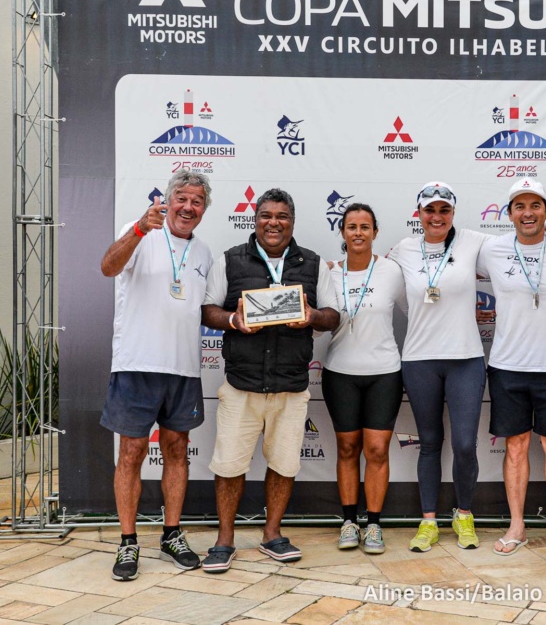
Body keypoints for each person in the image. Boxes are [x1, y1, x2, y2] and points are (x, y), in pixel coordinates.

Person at [199, 188, 340, 573]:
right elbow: (208, 309)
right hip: (241, 385)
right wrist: (233, 320)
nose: (273, 223)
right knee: (229, 465)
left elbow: (333, 316)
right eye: (266, 215)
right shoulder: (230, 260)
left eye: (282, 216)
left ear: (292, 222)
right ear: (255, 219)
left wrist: (312, 317)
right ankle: (224, 540)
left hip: (291, 386)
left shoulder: (313, 264)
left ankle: (272, 534)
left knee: (284, 464)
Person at [99, 169, 214, 581]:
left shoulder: (204, 253)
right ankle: (128, 541)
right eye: (182, 198)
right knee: (131, 452)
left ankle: (171, 534)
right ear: (167, 202)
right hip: (137, 364)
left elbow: (207, 310)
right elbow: (108, 267)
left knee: (178, 451)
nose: (188, 207)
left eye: (197, 201)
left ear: (204, 209)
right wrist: (137, 230)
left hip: (183, 368)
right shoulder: (140, 233)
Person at [477, 179, 546, 558]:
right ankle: (517, 525)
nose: (528, 213)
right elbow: (445, 257)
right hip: (507, 365)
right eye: (520, 206)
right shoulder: (492, 249)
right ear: (509, 214)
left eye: (536, 205)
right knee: (516, 447)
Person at [387, 182, 489, 551]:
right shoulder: (403, 249)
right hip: (419, 359)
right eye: (430, 210)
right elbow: (380, 281)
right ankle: (428, 520)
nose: (437, 216)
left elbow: (519, 249)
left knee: (464, 444)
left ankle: (464, 515)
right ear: (418, 214)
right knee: (429, 443)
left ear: (453, 213)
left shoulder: (473, 242)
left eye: (444, 210)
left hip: (466, 359)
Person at [322, 203, 407, 554]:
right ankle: (348, 521)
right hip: (339, 372)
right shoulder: (328, 273)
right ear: (343, 232)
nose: (358, 233)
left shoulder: (392, 271)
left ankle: (373, 524)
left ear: (375, 232)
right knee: (347, 448)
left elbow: (419, 308)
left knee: (376, 450)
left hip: (384, 372)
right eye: (352, 226)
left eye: (365, 227)